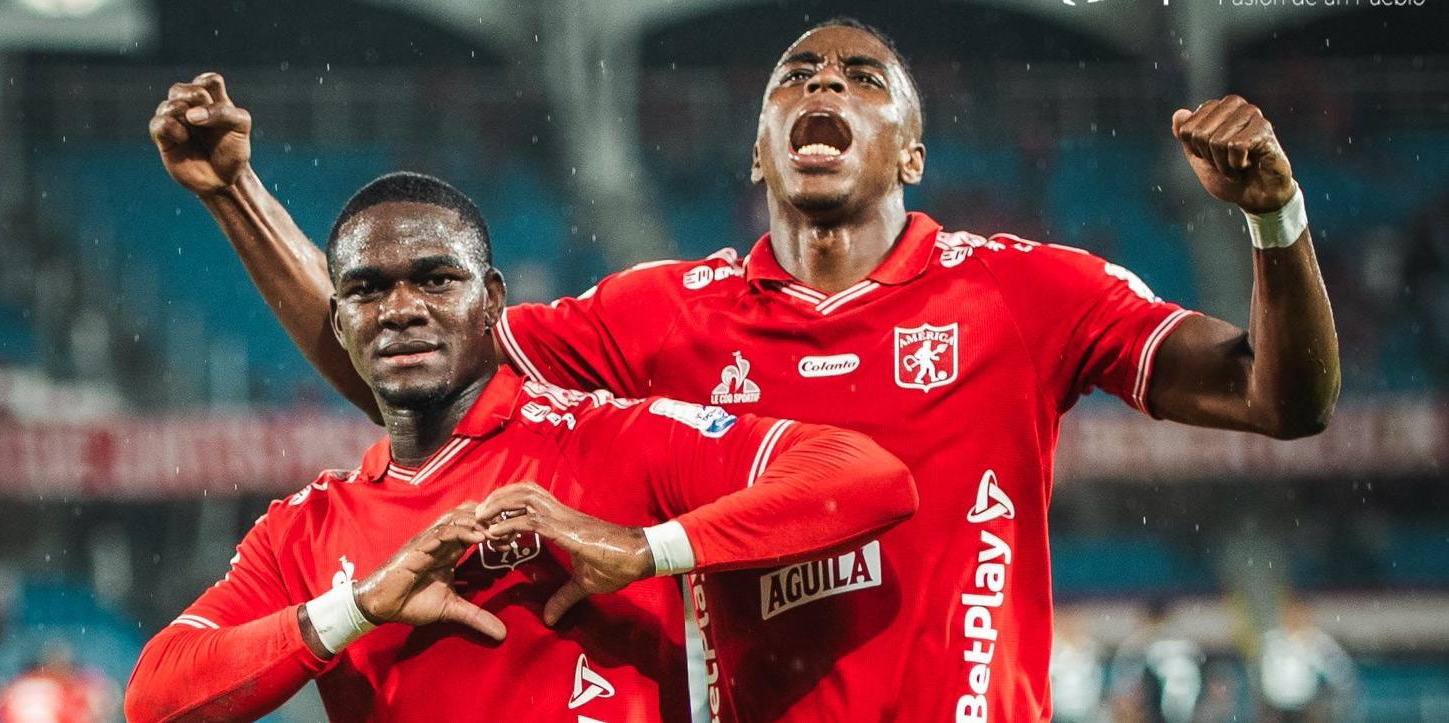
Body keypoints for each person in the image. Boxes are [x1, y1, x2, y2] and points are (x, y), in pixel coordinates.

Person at [148, 16, 1340, 722]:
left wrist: (1276, 222)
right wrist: (236, 196)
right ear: (757, 147)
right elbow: (402, 359)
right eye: (796, 81)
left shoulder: (1029, 289)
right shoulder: (660, 314)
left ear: (911, 148)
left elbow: (1280, 400)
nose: (823, 88)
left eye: (861, 80)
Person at [121, 172, 917, 721]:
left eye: (435, 279)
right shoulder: (307, 527)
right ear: (340, 324)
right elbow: (154, 695)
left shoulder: (610, 439)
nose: (399, 308)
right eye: (366, 288)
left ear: (492, 300)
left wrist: (645, 548)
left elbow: (866, 476)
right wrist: (357, 606)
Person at [1255, 601, 1357, 722]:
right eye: (1292, 615)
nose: (1295, 620)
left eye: (1299, 615)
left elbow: (1341, 673)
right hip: (1274, 708)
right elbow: (1256, 673)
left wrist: (1336, 703)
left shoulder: (1318, 642)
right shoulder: (1271, 640)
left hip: (1305, 708)